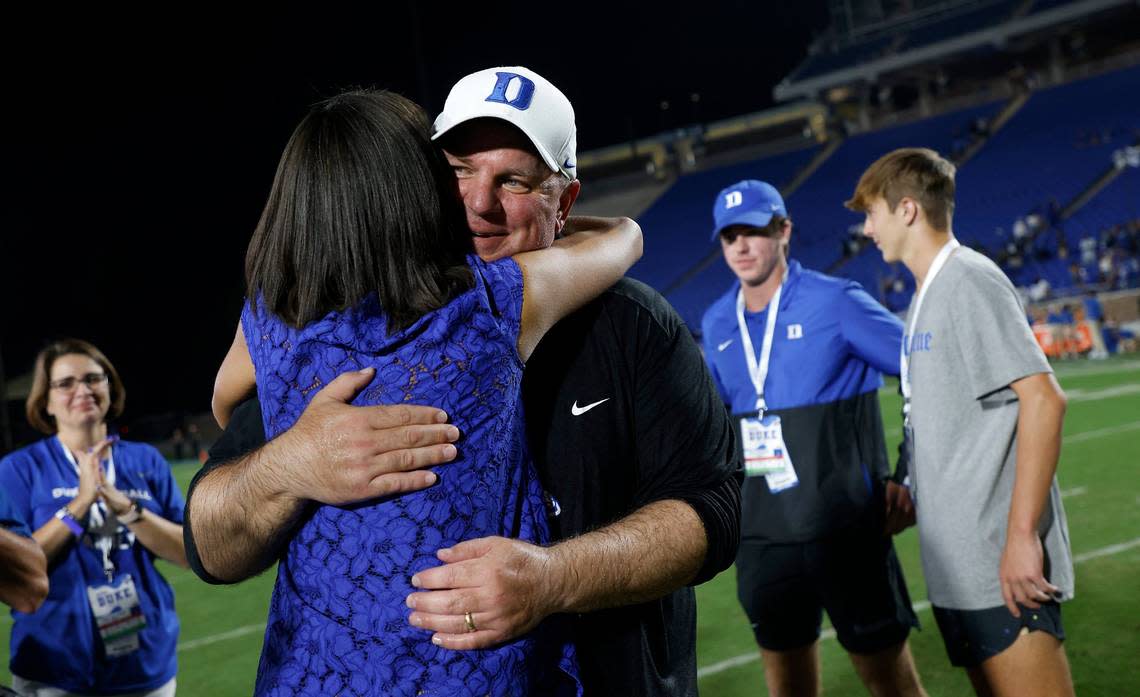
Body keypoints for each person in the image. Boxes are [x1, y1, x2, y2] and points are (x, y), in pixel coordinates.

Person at [185, 66, 741, 696]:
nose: (480, 202)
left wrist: (554, 577)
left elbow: (712, 511)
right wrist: (288, 464)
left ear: (565, 200)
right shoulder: (348, 329)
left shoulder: (632, 324)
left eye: (514, 180)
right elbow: (210, 544)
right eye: (457, 170)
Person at [848, 148, 1075, 697]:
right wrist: (910, 488)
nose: (865, 227)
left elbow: (1044, 400)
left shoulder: (969, 278)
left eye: (871, 211)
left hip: (1001, 559)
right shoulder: (926, 293)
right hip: (960, 568)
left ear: (906, 210)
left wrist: (1022, 537)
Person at [700, 180, 926, 697]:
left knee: (893, 686)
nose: (740, 246)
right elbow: (714, 431)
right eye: (729, 235)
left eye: (753, 231)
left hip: (847, 533)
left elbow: (926, 373)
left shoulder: (836, 301)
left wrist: (910, 471)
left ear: (783, 231)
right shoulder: (716, 322)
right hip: (762, 543)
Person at [0, 339, 188, 697]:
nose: (83, 389)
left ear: (110, 387)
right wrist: (81, 504)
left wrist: (127, 510)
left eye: (93, 378)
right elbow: (18, 568)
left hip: (145, 665)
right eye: (66, 383)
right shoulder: (19, 470)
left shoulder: (144, 461)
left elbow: (186, 554)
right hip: (54, 668)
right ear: (46, 401)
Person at [0, 488, 47, 614]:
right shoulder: (18, 470)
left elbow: (80, 535)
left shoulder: (96, 476)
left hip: (97, 594)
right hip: (50, 617)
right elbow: (39, 544)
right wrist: (70, 515)